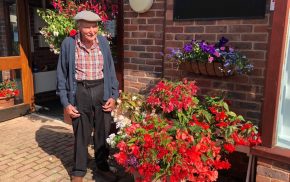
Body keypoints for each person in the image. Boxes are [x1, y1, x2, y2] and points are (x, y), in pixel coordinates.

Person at [56, 10, 119, 182]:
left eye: (94, 26)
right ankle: (78, 169)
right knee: (81, 134)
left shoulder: (103, 43)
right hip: (79, 92)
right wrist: (66, 103)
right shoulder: (69, 44)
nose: (91, 31)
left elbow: (111, 71)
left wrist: (113, 96)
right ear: (78, 27)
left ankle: (102, 166)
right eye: (87, 27)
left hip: (101, 90)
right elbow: (61, 75)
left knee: (102, 132)